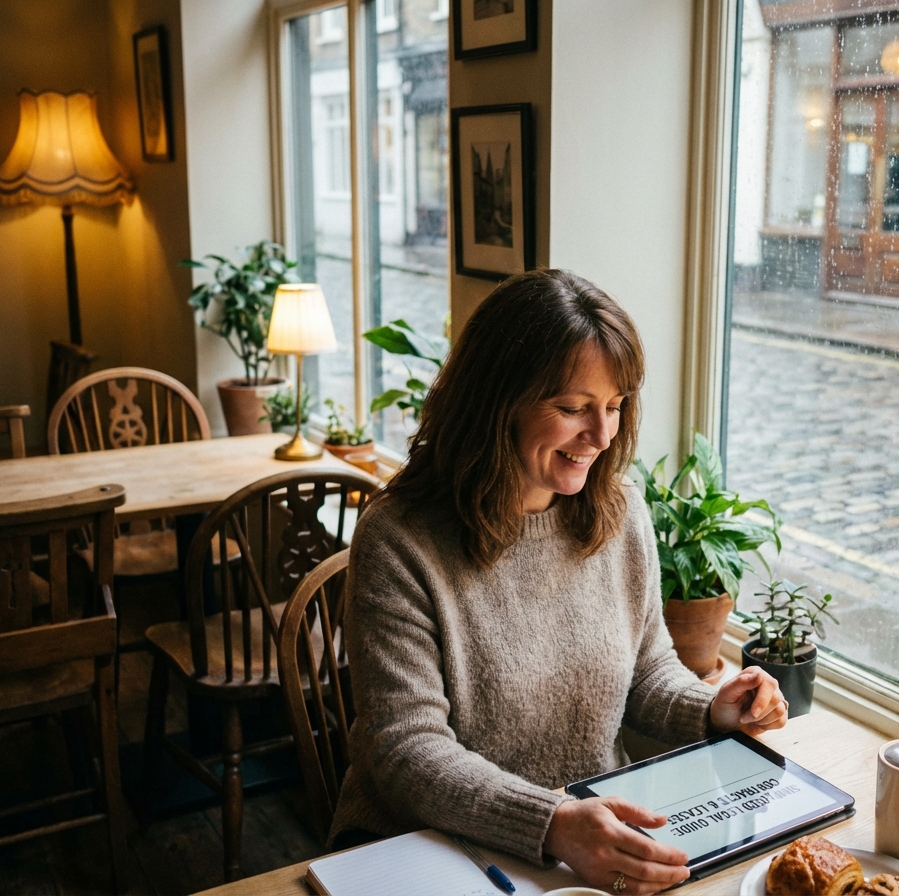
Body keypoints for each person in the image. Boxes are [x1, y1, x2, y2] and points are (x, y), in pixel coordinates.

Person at [331, 269, 788, 895]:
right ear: (497, 403)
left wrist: (711, 708)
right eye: (573, 408)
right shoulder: (399, 540)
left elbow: (647, 669)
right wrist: (553, 822)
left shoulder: (620, 513)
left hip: (587, 838)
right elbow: (407, 751)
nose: (602, 437)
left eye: (615, 406)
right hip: (426, 849)